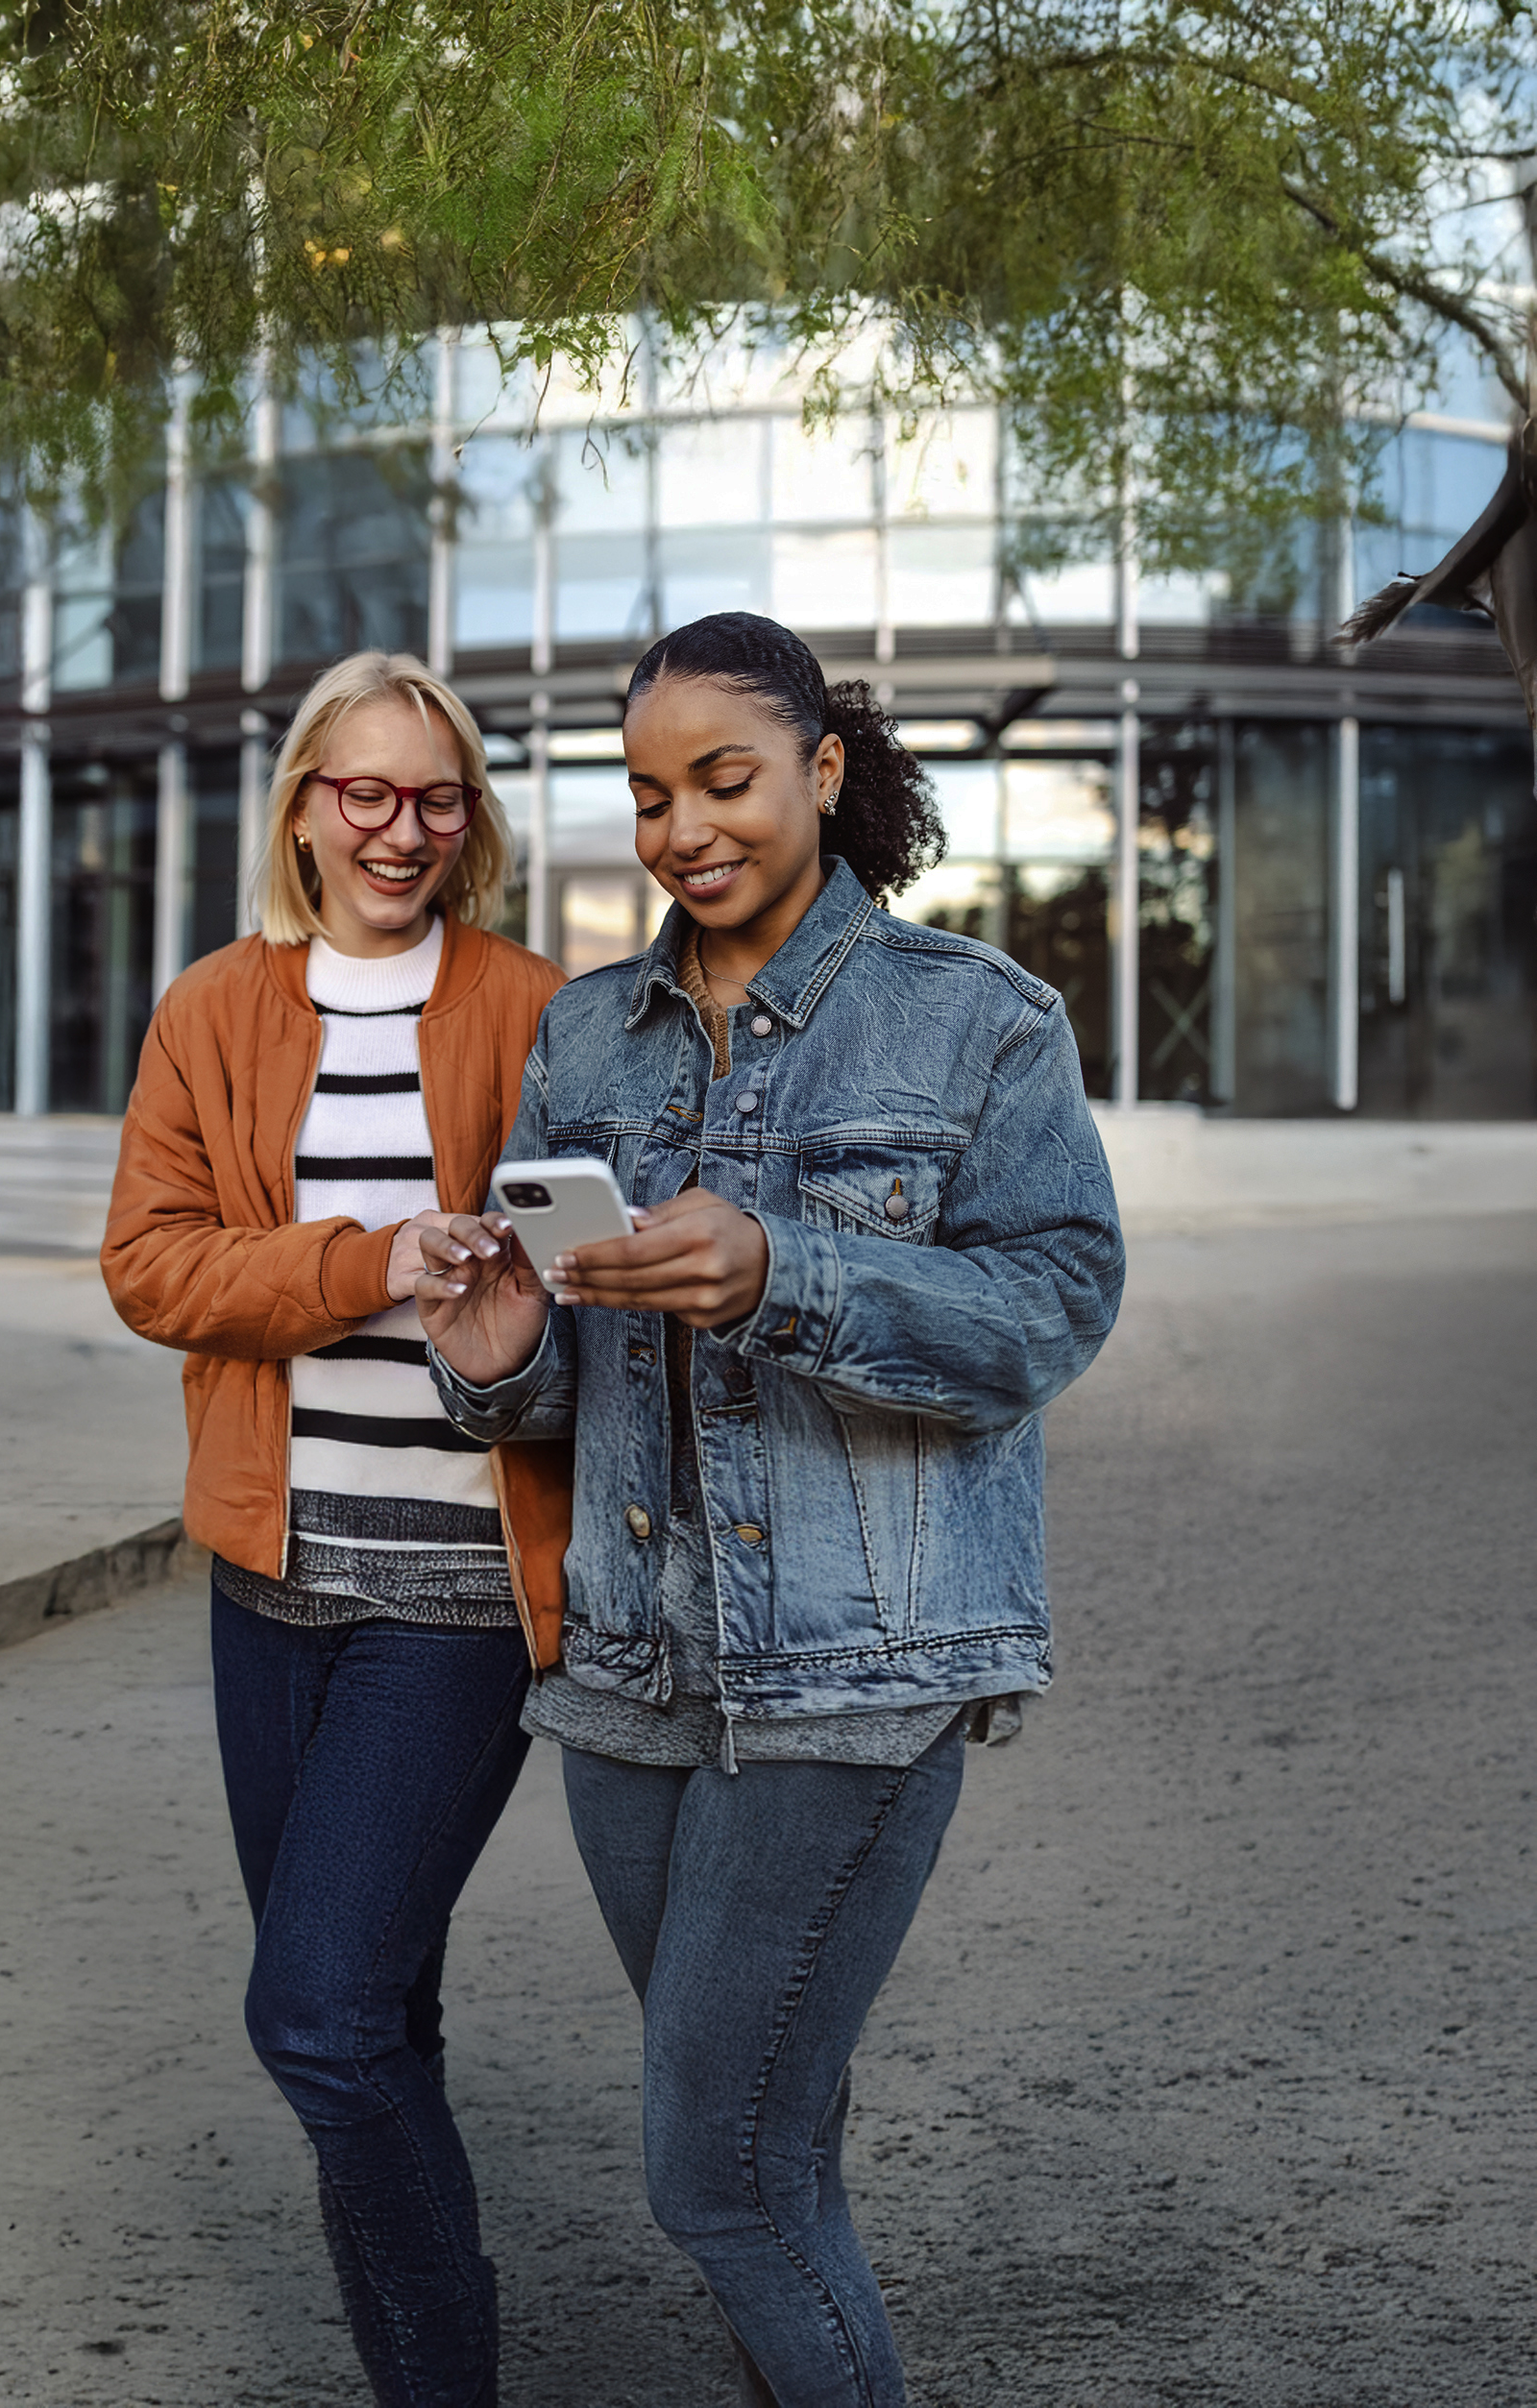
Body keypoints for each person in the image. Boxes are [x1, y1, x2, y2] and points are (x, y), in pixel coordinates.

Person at [406, 611, 1125, 2406]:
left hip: (859, 1676)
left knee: (712, 2169)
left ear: (822, 770)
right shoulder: (587, 1037)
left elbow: (1047, 1313)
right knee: (768, 2142)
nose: (682, 830)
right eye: (648, 796)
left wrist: (784, 1274)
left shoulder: (975, 1024)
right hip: (631, 1686)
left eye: (723, 780)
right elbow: (571, 1381)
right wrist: (497, 1355)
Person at [102, 649, 573, 2408]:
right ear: (300, 809)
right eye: (363, 793)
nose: (400, 831)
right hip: (269, 1582)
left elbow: (590, 1283)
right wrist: (368, 1262)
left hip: (459, 1591)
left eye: (436, 799)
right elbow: (150, 1263)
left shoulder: (540, 1007)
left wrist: (521, 1299)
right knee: (380, 2022)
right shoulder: (215, 1008)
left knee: (312, 2014)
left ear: (474, 822)